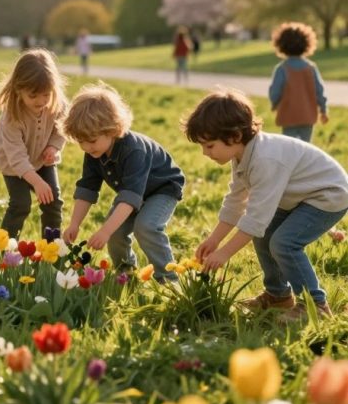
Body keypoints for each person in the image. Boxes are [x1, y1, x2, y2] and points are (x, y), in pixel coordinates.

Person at [184, 89, 348, 319]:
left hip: (327, 195)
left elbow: (256, 219)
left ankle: (316, 306)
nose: (204, 152)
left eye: (209, 145)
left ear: (234, 136)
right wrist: (214, 240)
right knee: (264, 237)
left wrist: (224, 253)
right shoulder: (241, 154)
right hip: (296, 196)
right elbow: (236, 201)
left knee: (284, 243)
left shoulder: (265, 159)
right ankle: (278, 296)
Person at [62, 83, 184, 280]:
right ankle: (125, 273)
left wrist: (104, 231)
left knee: (146, 227)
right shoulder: (94, 152)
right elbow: (87, 188)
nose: (86, 147)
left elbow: (129, 198)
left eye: (91, 140)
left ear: (111, 129)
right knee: (117, 233)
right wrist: (74, 224)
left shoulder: (134, 150)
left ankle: (169, 279)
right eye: (80, 141)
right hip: (132, 192)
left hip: (162, 189)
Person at [0, 49, 66, 238]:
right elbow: (16, 157)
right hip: (14, 165)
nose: (41, 101)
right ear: (19, 89)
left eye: (46, 95)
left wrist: (53, 147)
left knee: (53, 202)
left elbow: (61, 130)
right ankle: (2, 248)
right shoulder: (12, 115)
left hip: (41, 159)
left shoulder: (57, 104)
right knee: (21, 205)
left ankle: (51, 249)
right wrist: (37, 182)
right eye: (33, 96)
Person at [268, 22, 328, 143]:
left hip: (288, 116)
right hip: (307, 115)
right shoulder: (311, 68)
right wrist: (323, 110)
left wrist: (274, 103)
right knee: (306, 147)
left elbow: (275, 92)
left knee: (289, 146)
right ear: (307, 44)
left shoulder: (282, 69)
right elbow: (319, 91)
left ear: (281, 45)